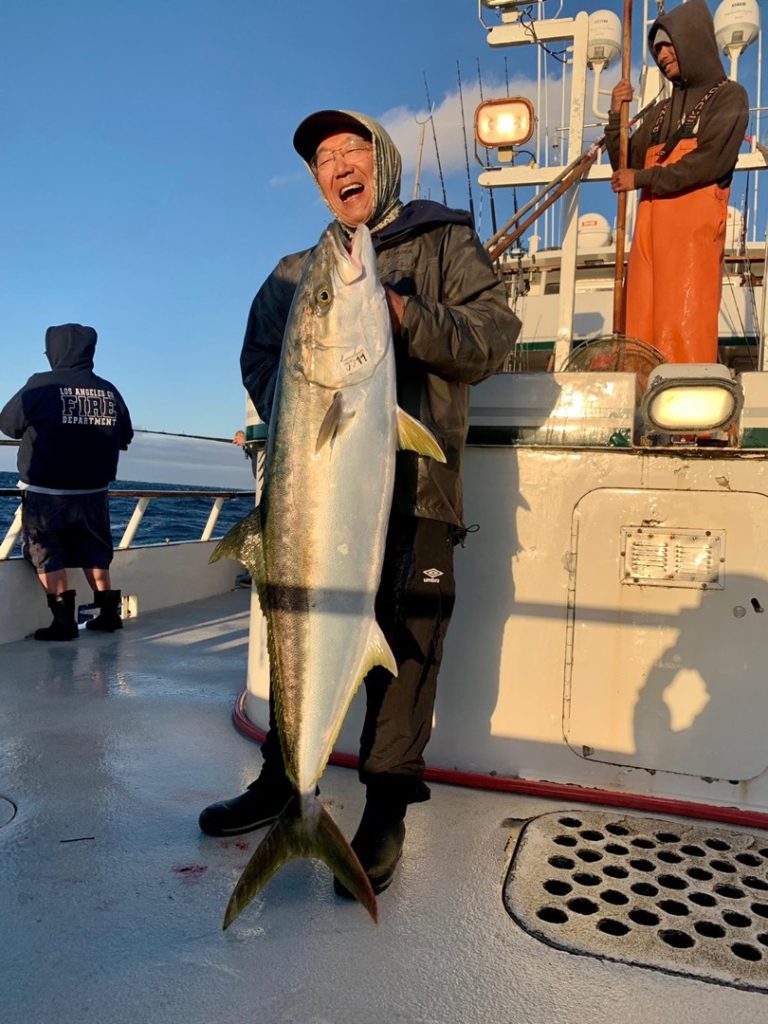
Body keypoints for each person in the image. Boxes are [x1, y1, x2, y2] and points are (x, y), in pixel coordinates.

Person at [199, 109, 521, 896]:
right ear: (317, 182)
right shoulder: (295, 272)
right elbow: (259, 358)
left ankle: (384, 811)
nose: (338, 164)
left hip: (422, 492)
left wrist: (404, 316)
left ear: (384, 160)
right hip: (313, 495)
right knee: (299, 627)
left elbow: (494, 335)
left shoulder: (445, 243)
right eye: (322, 159)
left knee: (403, 656)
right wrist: (313, 394)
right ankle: (287, 779)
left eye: (352, 149)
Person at [606, 0, 749, 363]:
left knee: (685, 335)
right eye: (656, 49)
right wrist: (614, 116)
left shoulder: (730, 97)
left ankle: (692, 414)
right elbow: (624, 164)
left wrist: (643, 177)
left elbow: (708, 163)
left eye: (668, 45)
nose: (662, 54)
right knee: (639, 335)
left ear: (692, 41)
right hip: (647, 241)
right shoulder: (660, 111)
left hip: (690, 245)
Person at [0, 324, 133, 641]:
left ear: (54, 352)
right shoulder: (109, 391)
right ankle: (109, 615)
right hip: (94, 493)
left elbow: (8, 425)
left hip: (48, 492)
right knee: (96, 552)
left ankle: (63, 622)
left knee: (46, 553)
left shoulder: (40, 385)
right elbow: (125, 436)